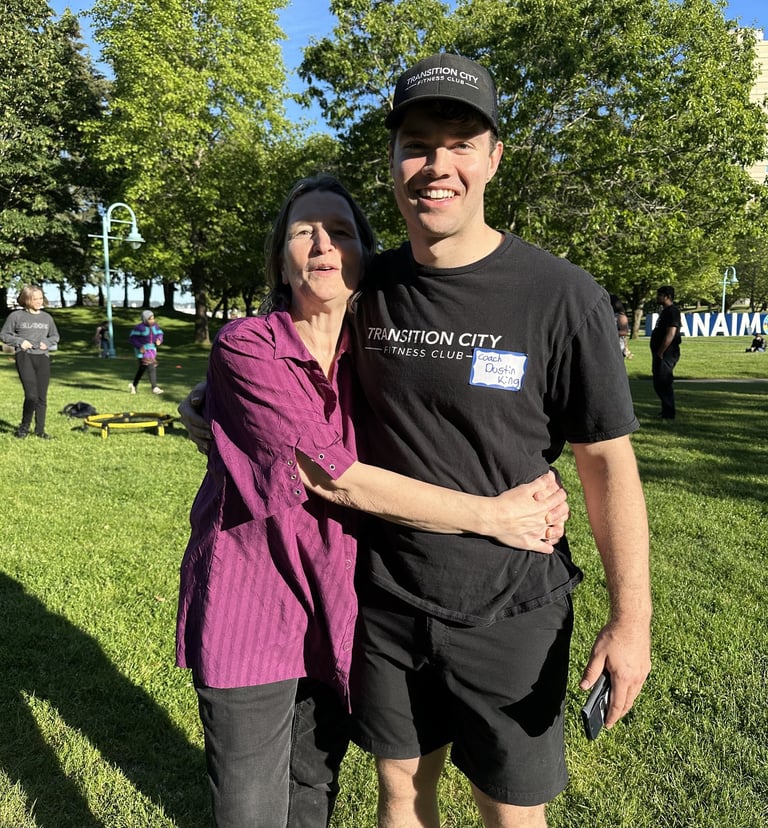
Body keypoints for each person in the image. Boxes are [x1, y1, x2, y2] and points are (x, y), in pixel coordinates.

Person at [180, 54, 652, 828]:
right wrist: (210, 402)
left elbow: (608, 464)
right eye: (417, 142)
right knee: (399, 794)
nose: (438, 165)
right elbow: (294, 360)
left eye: (461, 142)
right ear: (393, 160)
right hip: (387, 601)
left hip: (512, 607)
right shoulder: (372, 287)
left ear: (495, 158)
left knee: (509, 812)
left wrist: (631, 622)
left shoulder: (564, 297)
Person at [175, 174, 570, 828]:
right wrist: (496, 515)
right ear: (280, 258)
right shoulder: (247, 345)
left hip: (338, 612)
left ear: (365, 255)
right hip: (252, 612)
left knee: (311, 795)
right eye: (305, 231)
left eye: (342, 232)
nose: (324, 245)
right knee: (249, 809)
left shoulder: (374, 356)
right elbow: (335, 475)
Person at [1, 285, 60, 439]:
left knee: (42, 397)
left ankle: (40, 430)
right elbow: (4, 335)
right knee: (31, 395)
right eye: (35, 299)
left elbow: (55, 336)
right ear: (27, 300)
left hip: (43, 357)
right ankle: (24, 427)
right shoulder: (16, 316)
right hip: (24, 356)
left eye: (41, 298)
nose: (39, 301)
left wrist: (47, 343)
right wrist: (20, 341)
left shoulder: (47, 318)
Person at [650, 285, 682, 421]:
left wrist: (661, 351)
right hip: (660, 353)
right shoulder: (665, 311)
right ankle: (665, 410)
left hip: (667, 353)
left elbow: (671, 333)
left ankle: (669, 414)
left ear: (667, 297)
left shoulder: (672, 312)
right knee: (658, 382)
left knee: (664, 381)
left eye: (659, 295)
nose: (657, 297)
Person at [128, 310, 164, 394]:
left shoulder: (156, 327)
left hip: (152, 350)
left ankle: (134, 385)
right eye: (150, 319)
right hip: (142, 351)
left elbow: (160, 334)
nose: (152, 321)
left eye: (153, 318)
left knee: (142, 369)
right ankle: (154, 387)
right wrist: (139, 346)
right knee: (151, 366)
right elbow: (132, 339)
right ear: (144, 319)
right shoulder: (139, 327)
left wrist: (159, 339)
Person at [610, 294, 633, 360]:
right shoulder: (609, 315)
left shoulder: (620, 316)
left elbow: (625, 332)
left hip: (618, 347)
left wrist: (609, 333)